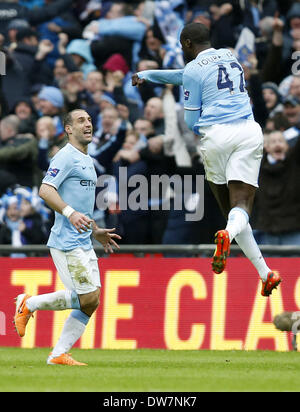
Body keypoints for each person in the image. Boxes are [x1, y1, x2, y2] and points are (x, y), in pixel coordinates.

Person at [132, 22, 281, 297]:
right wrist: (149, 74)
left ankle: (232, 239)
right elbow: (185, 75)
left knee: (230, 209)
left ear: (187, 44)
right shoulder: (229, 55)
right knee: (241, 208)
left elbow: (190, 120)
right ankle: (265, 273)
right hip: (248, 130)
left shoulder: (193, 69)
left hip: (218, 135)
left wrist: (207, 130)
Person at [13, 109, 121, 366]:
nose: (88, 124)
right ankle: (29, 303)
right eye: (81, 121)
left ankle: (58, 354)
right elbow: (45, 190)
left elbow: (81, 206)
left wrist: (95, 231)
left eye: (90, 120)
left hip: (84, 240)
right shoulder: (65, 157)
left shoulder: (87, 160)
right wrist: (70, 214)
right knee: (88, 297)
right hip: (66, 242)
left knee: (90, 301)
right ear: (68, 129)